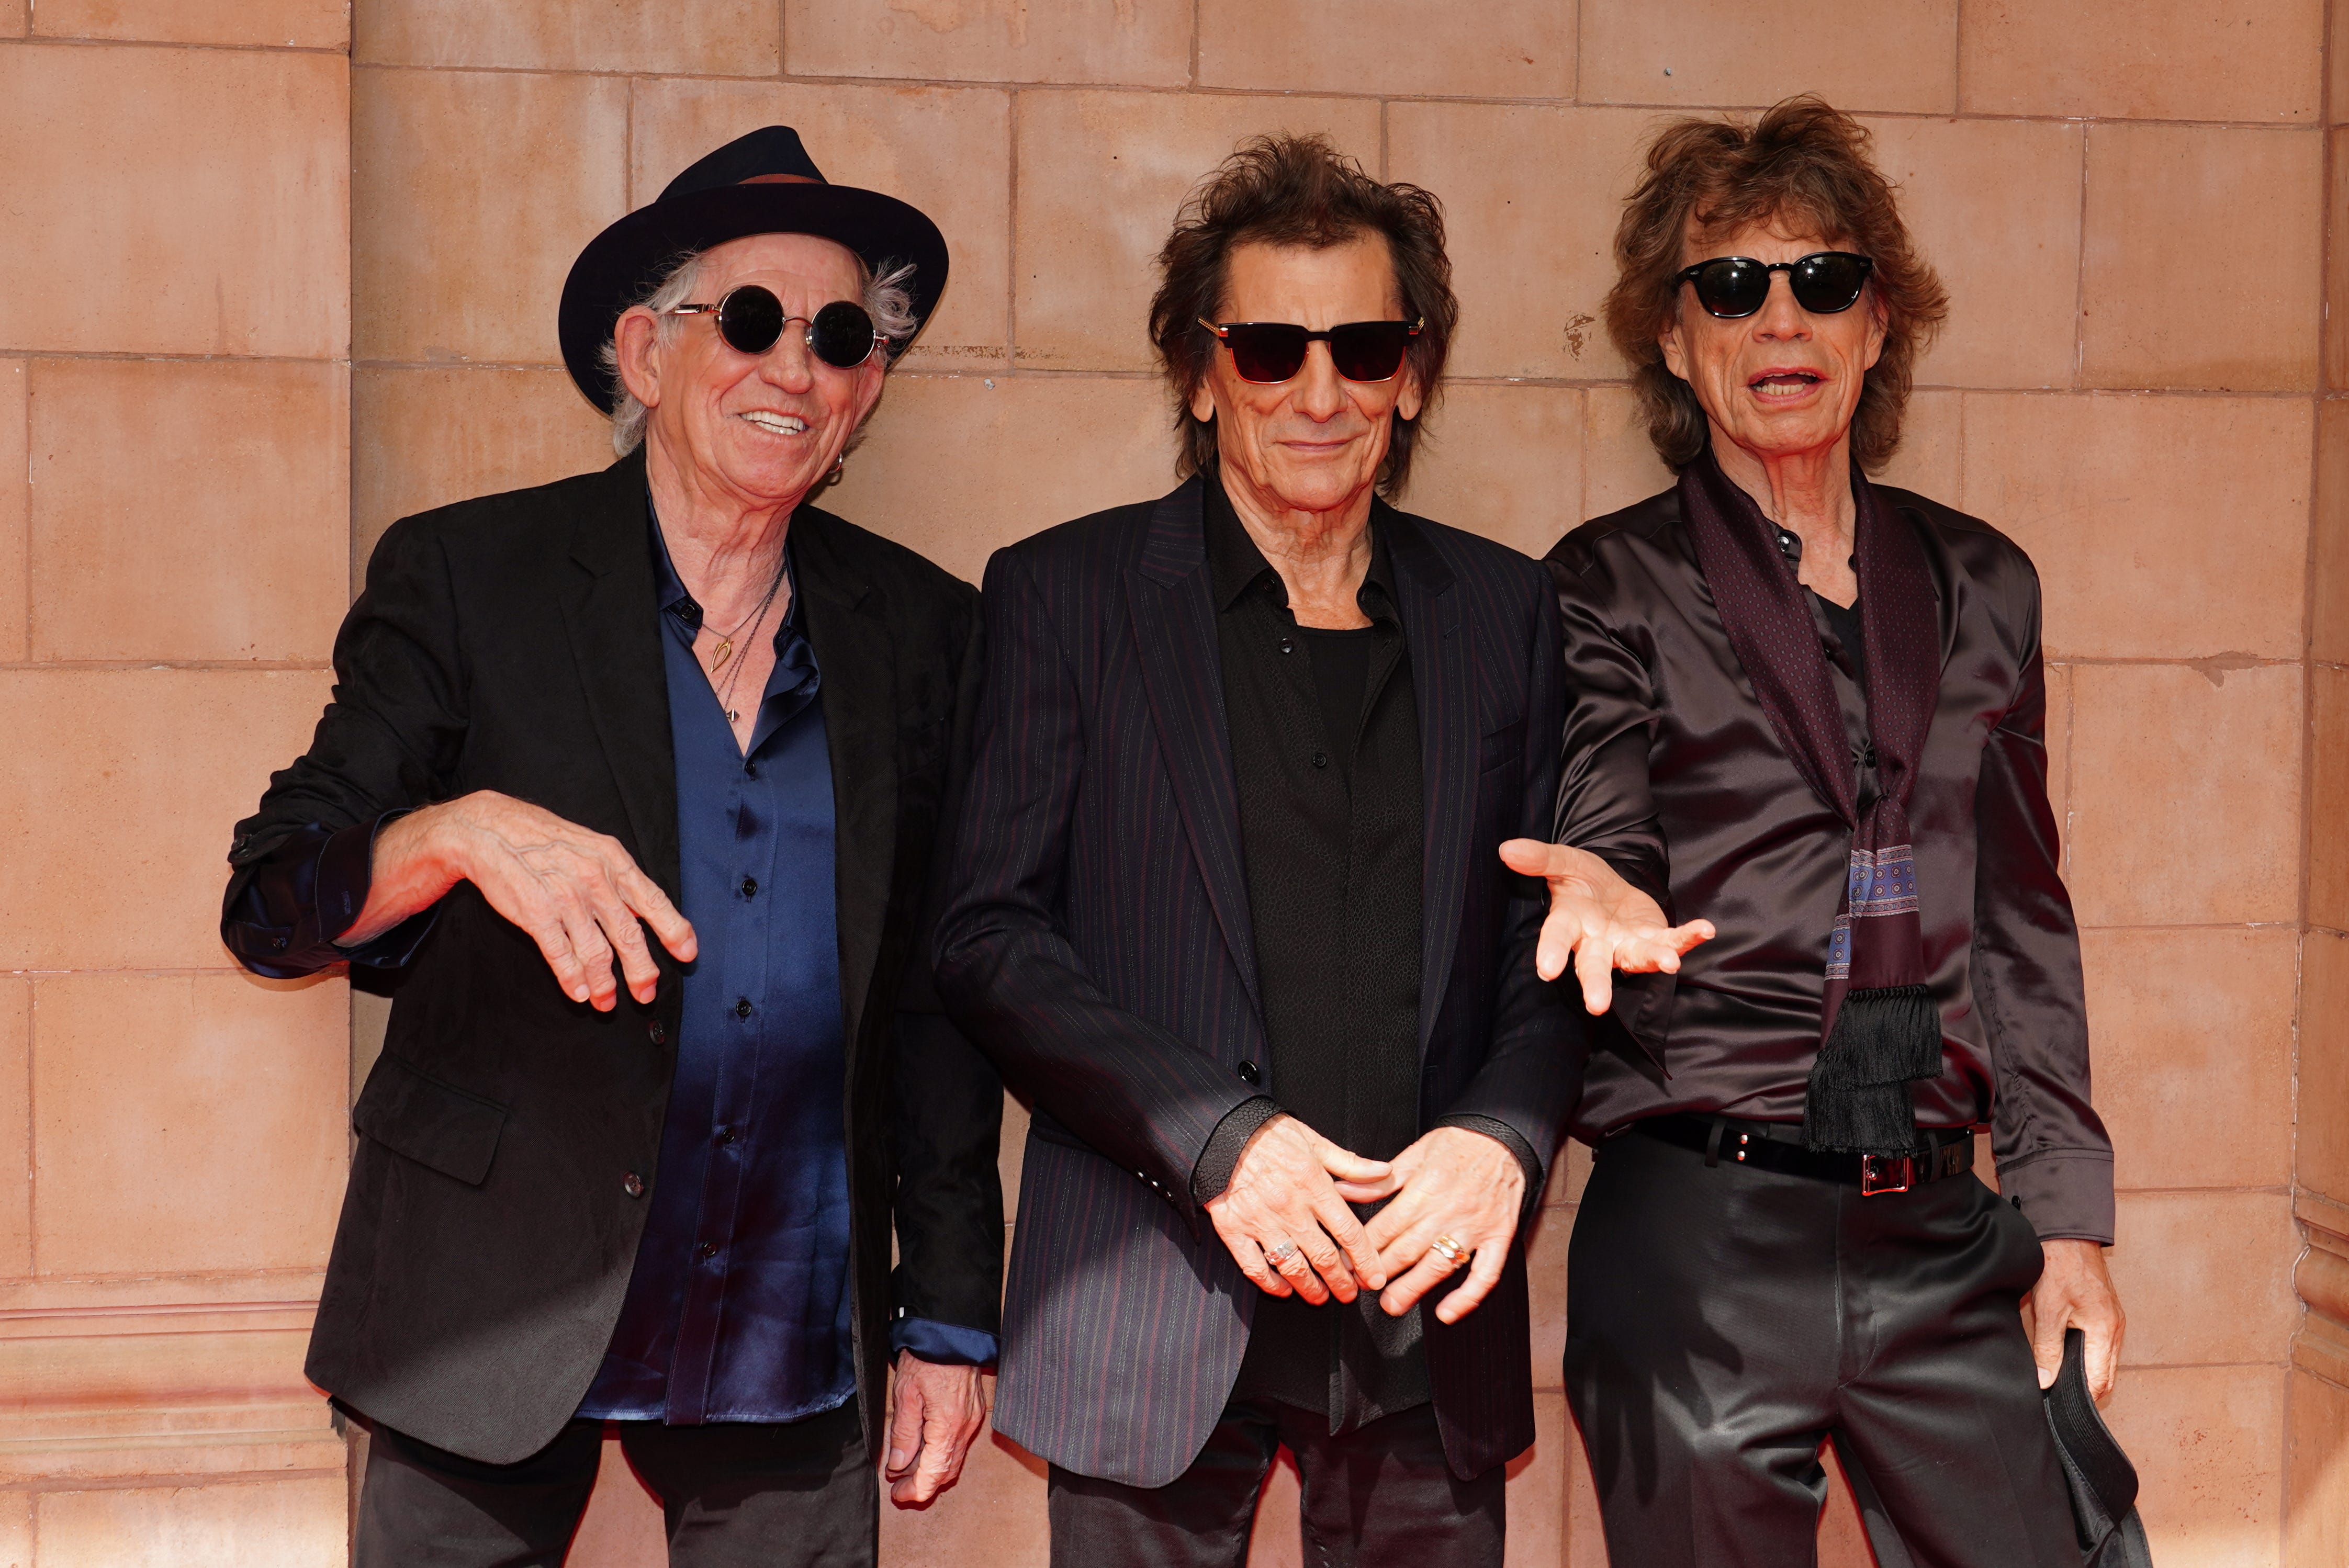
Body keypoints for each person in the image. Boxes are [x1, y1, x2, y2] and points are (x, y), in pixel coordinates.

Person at [221, 127, 1004, 1567]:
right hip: (493, 1301)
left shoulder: (929, 631)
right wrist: (452, 836)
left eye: (838, 338)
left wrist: (947, 1313)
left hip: (791, 1305)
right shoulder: (471, 576)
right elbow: (274, 900)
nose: (794, 369)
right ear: (644, 355)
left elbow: (937, 1007)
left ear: (867, 390)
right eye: (750, 321)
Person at [933, 133, 1706, 1568]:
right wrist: (1215, 1140)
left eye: (1361, 346)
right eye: (1271, 346)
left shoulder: (1503, 611)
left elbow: (1548, 946)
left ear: (1412, 374)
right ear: (1196, 367)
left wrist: (1507, 1139)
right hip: (1151, 1291)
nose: (1318, 389)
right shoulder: (1063, 597)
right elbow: (986, 938)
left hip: (1427, 1324)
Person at [1503, 96, 2126, 1565]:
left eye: (1820, 279)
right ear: (1673, 338)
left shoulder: (1986, 581)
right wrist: (1599, 881)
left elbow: (2027, 917)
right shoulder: (1606, 583)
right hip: (1704, 1227)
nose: (1778, 317)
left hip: (1943, 1223)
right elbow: (1602, 799)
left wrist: (2067, 1219)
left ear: (1877, 319)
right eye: (1729, 285)